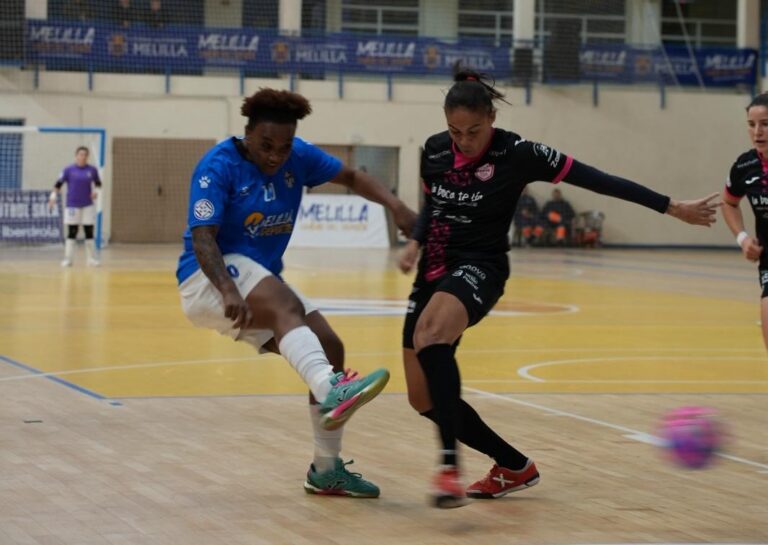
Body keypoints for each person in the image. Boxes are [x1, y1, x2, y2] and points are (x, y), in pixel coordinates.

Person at [398, 68, 720, 509]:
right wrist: (415, 242)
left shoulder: (520, 153)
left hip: (481, 266)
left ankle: (449, 466)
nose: (465, 141)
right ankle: (513, 466)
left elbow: (597, 178)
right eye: (456, 131)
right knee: (421, 397)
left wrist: (670, 206)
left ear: (491, 118)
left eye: (474, 131)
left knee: (431, 335)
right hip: (433, 269)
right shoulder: (434, 151)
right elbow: (432, 206)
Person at [176, 88, 417, 498]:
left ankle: (326, 470)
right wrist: (227, 289)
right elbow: (203, 237)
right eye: (266, 145)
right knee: (288, 307)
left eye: (283, 147)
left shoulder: (299, 156)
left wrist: (395, 206)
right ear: (248, 133)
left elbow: (353, 177)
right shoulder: (217, 166)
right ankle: (332, 390)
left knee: (329, 346)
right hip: (207, 278)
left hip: (254, 278)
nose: (275, 155)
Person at [721, 93, 768, 350]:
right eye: (752, 124)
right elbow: (729, 202)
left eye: (766, 124)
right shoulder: (745, 166)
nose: (758, 131)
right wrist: (743, 238)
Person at [48, 146, 102, 267]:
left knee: (89, 231)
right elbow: (58, 184)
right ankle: (68, 259)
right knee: (72, 231)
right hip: (72, 205)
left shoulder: (92, 170)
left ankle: (91, 259)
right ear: (76, 156)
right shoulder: (68, 170)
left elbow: (98, 183)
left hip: (87, 205)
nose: (82, 157)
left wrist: (96, 192)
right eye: (80, 154)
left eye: (85, 155)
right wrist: (52, 197)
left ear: (87, 157)